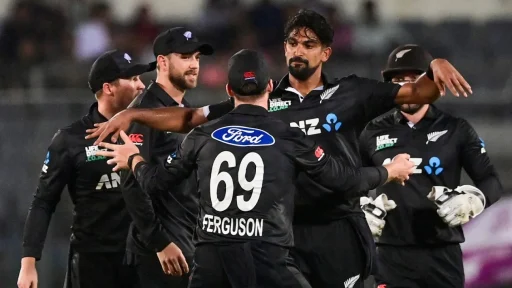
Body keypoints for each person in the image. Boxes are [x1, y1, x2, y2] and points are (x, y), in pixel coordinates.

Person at [86, 9, 472, 287]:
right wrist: (132, 117)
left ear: (326, 53)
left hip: (337, 227)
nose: (297, 50)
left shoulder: (354, 92)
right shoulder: (263, 97)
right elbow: (189, 118)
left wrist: (435, 66)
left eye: (309, 43)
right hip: (280, 233)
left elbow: (419, 92)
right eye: (291, 42)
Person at [358, 44, 503, 288]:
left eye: (414, 79)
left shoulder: (457, 128)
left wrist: (474, 200)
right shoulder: (371, 131)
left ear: (432, 84)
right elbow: (354, 182)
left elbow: (491, 181)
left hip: (443, 254)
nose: (407, 87)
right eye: (398, 80)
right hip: (390, 256)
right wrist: (360, 208)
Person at [17, 50, 151, 288]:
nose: (141, 85)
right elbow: (43, 202)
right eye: (132, 79)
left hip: (143, 260)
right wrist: (28, 264)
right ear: (108, 88)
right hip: (91, 264)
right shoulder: (70, 139)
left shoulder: (152, 131)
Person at [117, 27, 214, 288]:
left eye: (197, 58)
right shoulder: (144, 112)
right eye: (185, 57)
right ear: (162, 61)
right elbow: (131, 182)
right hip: (160, 254)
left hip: (187, 244)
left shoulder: (183, 109)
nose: (194, 65)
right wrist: (161, 243)